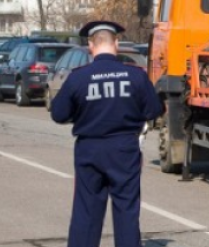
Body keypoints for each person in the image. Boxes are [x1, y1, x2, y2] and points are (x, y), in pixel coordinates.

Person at [50, 21, 165, 247]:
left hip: (89, 149)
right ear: (117, 44)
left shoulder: (78, 77)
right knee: (126, 210)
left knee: (86, 210)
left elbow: (58, 114)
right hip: (124, 149)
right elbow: (154, 110)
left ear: (91, 45)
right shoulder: (136, 75)